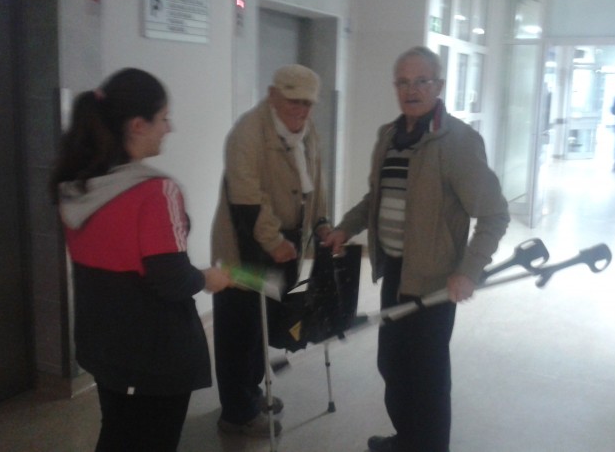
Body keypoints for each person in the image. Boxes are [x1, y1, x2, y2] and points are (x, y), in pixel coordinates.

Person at [324, 47, 510, 452]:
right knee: (393, 364)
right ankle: (407, 440)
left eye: (421, 81)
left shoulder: (458, 142)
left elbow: (494, 214)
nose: (412, 90)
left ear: (438, 86)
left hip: (434, 281)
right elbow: (376, 198)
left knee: (426, 378)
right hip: (395, 271)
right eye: (403, 82)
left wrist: (468, 270)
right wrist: (345, 228)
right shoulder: (389, 137)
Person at [50, 68, 231, 451]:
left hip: (104, 346)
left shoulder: (78, 186)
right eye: (163, 118)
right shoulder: (155, 192)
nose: (169, 128)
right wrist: (208, 278)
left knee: (118, 432)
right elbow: (172, 279)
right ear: (137, 125)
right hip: (154, 355)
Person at [211, 64, 331, 437]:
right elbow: (247, 198)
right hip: (243, 245)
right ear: (272, 94)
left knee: (262, 324)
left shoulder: (307, 131)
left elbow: (317, 181)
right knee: (239, 328)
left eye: (308, 103)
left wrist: (321, 221)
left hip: (283, 246)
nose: (301, 110)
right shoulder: (247, 132)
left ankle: (250, 394)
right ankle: (237, 414)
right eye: (294, 101)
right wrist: (274, 241)